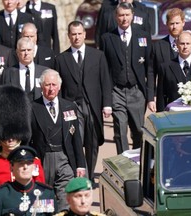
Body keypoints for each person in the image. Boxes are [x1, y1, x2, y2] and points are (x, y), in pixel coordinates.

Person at [55, 20, 112, 183]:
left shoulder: (98, 56)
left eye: (80, 33)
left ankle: (90, 172)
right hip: (72, 107)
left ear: (85, 35)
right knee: (76, 140)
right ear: (68, 36)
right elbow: (59, 87)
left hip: (92, 105)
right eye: (73, 34)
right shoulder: (61, 59)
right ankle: (81, 176)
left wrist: (107, 104)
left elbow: (105, 81)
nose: (77, 37)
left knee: (92, 142)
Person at [0, 85, 45, 216]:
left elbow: (42, 201)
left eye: (14, 134)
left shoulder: (35, 164)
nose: (10, 139)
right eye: (6, 135)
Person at [100, 2, 155, 154]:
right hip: (116, 91)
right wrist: (106, 100)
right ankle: (124, 164)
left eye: (127, 15)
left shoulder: (143, 36)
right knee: (120, 131)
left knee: (138, 130)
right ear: (116, 17)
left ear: (132, 16)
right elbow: (104, 70)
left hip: (137, 92)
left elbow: (149, 68)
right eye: (121, 15)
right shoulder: (107, 38)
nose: (124, 18)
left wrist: (150, 96)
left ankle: (138, 164)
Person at [30, 69, 86, 211]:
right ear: (41, 87)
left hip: (64, 159)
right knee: (44, 200)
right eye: (47, 85)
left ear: (59, 87)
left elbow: (76, 139)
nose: (51, 88)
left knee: (65, 199)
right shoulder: (32, 107)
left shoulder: (70, 106)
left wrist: (80, 164)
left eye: (54, 85)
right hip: (43, 160)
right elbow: (28, 139)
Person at [0, 146, 56, 216]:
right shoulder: (1, 194)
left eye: (29, 163)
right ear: (11, 167)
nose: (25, 167)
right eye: (20, 163)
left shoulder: (46, 193)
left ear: (34, 167)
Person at [151, 8, 191, 80]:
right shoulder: (158, 46)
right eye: (172, 23)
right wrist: (151, 91)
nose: (174, 27)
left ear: (183, 23)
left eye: (177, 23)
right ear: (167, 24)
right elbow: (151, 72)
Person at [156, 31, 191, 111]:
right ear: (176, 44)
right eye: (182, 43)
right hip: (174, 115)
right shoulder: (166, 67)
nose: (185, 46)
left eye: (188, 43)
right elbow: (161, 96)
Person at [0, 37, 49, 101]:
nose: (26, 53)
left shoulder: (44, 72)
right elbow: (1, 95)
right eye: (23, 50)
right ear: (17, 52)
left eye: (29, 50)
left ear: (34, 52)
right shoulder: (8, 73)